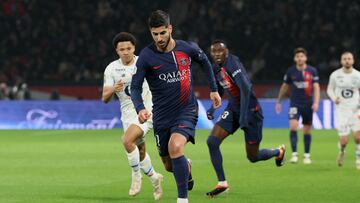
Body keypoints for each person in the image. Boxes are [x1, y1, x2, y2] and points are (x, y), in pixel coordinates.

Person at [130, 10, 221, 203]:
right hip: (162, 116)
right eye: (155, 34)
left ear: (170, 28)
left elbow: (205, 61)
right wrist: (140, 108)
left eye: (163, 32)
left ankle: (182, 200)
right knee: (169, 165)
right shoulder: (146, 56)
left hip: (186, 110)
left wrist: (213, 89)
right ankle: (185, 166)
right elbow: (135, 86)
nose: (159, 38)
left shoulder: (187, 49)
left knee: (175, 146)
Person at [205, 40, 286, 198]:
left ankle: (278, 151)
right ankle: (222, 183)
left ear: (226, 52)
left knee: (253, 157)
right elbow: (220, 90)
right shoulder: (215, 67)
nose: (217, 55)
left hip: (251, 112)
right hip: (233, 110)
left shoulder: (233, 64)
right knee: (212, 142)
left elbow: (246, 89)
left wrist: (243, 117)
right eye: (214, 52)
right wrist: (213, 108)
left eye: (220, 51)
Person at [102, 32, 163, 200]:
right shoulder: (111, 68)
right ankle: (154, 177)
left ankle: (136, 176)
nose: (126, 52)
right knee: (140, 150)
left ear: (134, 48)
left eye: (129, 48)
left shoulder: (143, 62)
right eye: (122, 49)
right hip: (127, 115)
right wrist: (114, 88)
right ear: (117, 50)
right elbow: (104, 98)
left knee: (127, 141)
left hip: (146, 111)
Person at [275, 47, 320, 164]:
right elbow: (284, 87)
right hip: (295, 103)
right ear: (295, 59)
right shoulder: (291, 71)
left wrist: (316, 102)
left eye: (302, 56)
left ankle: (306, 155)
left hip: (308, 104)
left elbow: (316, 88)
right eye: (298, 56)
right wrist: (279, 101)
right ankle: (294, 155)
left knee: (306, 130)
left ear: (305, 58)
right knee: (293, 126)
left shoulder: (312, 71)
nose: (300, 58)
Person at [326, 52, 360, 170]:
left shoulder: (358, 75)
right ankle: (342, 151)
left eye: (349, 59)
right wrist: (334, 98)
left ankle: (358, 158)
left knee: (358, 137)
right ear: (341, 61)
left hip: (356, 110)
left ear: (353, 61)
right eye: (345, 59)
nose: (347, 61)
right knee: (344, 141)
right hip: (341, 111)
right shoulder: (335, 75)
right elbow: (330, 89)